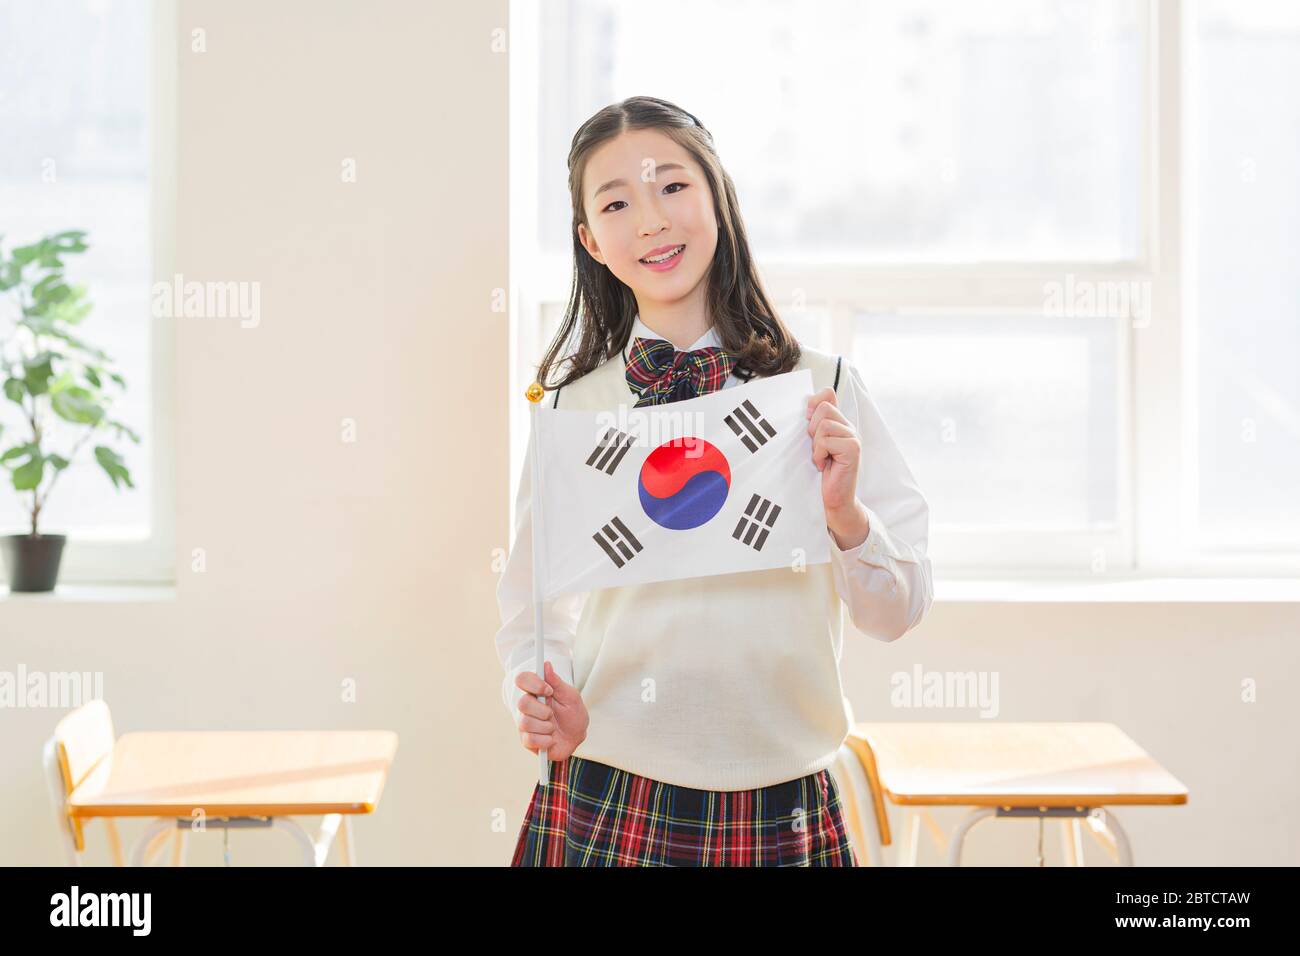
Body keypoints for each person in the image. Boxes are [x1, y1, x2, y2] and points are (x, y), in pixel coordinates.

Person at [495, 96, 934, 866]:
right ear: (591, 241)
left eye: (672, 186)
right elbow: (534, 613)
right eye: (618, 203)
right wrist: (541, 697)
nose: (652, 221)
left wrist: (845, 515)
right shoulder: (571, 407)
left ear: (718, 199)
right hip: (610, 787)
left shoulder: (821, 389)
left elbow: (895, 613)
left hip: (784, 797)